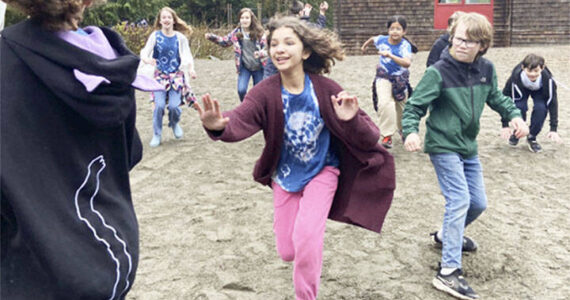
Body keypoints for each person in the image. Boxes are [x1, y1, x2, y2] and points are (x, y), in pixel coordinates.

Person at [195, 16, 395, 300]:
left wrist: (350, 120)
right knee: (288, 251)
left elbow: (369, 135)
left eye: (289, 42)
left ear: (305, 51)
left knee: (306, 240)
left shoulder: (326, 89)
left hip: (323, 172)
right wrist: (219, 125)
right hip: (285, 177)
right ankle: (302, 243)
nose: (280, 49)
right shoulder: (264, 92)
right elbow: (241, 118)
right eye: (274, 43)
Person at [1, 0, 158, 298]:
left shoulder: (5, 61)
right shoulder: (111, 61)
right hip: (111, 256)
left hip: (29, 270)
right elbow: (129, 153)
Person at [401, 12, 529, 300]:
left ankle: (446, 236)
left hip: (468, 147)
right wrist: (410, 131)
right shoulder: (438, 72)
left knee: (478, 203)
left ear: (482, 45)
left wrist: (514, 117)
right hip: (443, 144)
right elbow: (414, 107)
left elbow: (497, 97)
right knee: (459, 199)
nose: (461, 45)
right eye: (457, 38)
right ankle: (448, 272)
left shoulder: (487, 69)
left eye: (469, 41)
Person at [140, 6, 197, 147]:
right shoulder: (155, 36)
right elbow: (144, 52)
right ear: (160, 21)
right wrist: (147, 60)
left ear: (173, 20)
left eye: (169, 17)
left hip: (176, 76)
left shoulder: (180, 38)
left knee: (173, 106)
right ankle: (157, 134)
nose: (166, 20)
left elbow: (187, 56)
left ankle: (174, 123)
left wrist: (191, 70)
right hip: (159, 76)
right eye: (163, 17)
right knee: (158, 106)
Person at [361, 15, 414, 148]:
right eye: (392, 28)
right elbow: (372, 38)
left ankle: (403, 130)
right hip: (383, 77)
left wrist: (390, 55)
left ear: (404, 31)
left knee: (402, 107)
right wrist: (364, 47)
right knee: (385, 103)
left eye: (398, 29)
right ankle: (387, 135)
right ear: (388, 30)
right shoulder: (382, 40)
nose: (395, 31)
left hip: (400, 79)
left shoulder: (405, 46)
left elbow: (407, 63)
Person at [500, 53, 562, 152]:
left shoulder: (549, 81)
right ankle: (518, 132)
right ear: (523, 68)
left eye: (536, 71)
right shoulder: (514, 78)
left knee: (541, 109)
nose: (532, 74)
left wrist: (553, 129)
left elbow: (553, 103)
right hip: (521, 88)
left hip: (540, 91)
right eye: (529, 70)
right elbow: (504, 99)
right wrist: (505, 124)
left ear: (542, 68)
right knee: (520, 107)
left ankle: (532, 137)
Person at [205, 8, 266, 102]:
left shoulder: (260, 33)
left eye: (247, 18)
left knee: (259, 93)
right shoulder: (236, 33)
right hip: (244, 67)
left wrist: (260, 53)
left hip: (259, 67)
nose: (244, 20)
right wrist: (211, 37)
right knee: (241, 90)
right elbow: (225, 42)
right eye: (242, 18)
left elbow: (267, 48)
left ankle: (257, 111)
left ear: (251, 19)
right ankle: (245, 106)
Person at [263, 1, 329, 79]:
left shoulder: (281, 26)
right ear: (301, 12)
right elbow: (319, 30)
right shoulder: (303, 25)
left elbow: (269, 71)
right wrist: (321, 13)